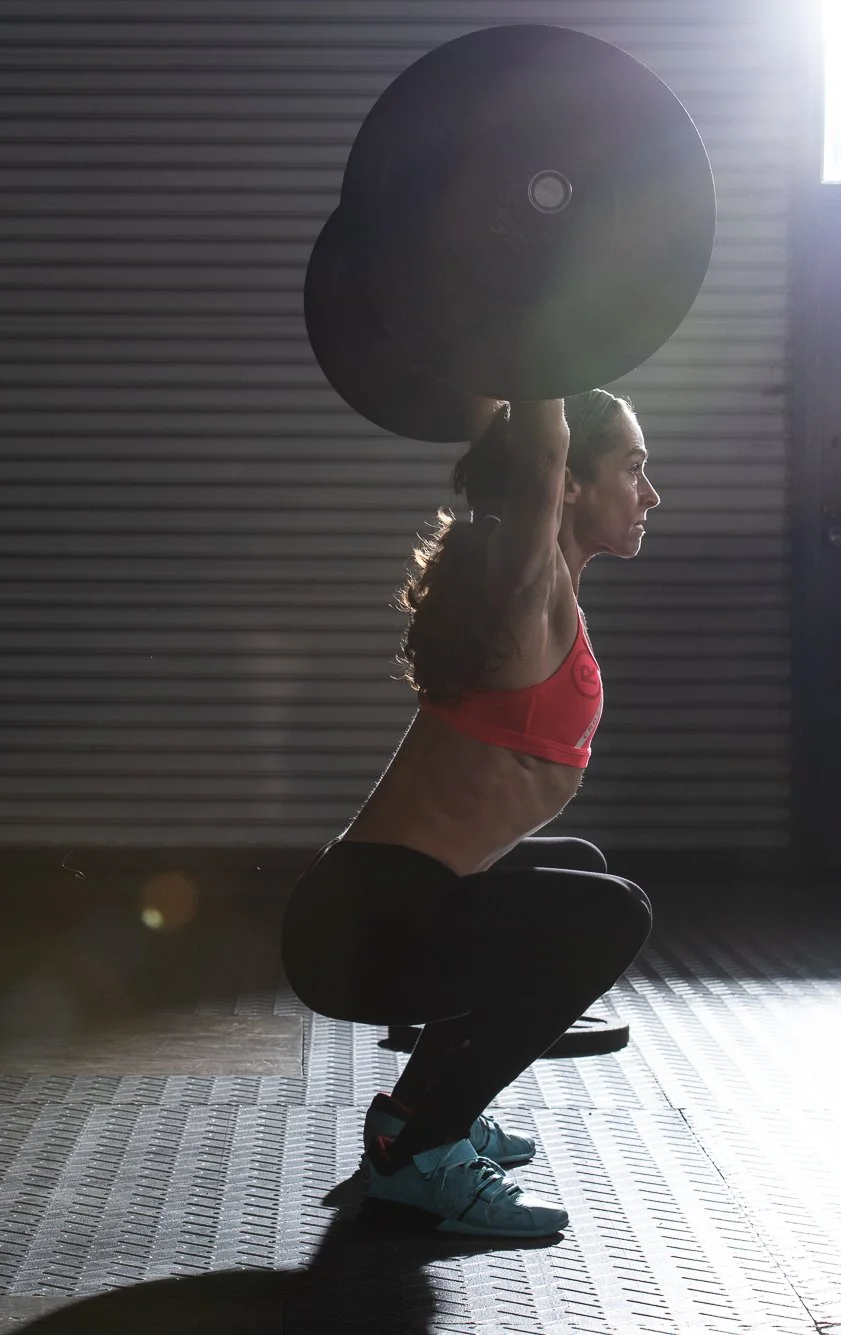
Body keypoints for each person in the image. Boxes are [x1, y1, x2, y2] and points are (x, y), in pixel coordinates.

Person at [280, 389, 660, 1238]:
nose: (650, 491)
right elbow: (536, 438)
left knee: (584, 869)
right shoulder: (526, 584)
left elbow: (497, 412)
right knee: (613, 914)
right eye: (632, 468)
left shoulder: (530, 578)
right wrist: (551, 328)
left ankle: (408, 1115)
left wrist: (492, 348)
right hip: (371, 929)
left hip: (371, 910)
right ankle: (427, 1154)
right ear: (566, 481)